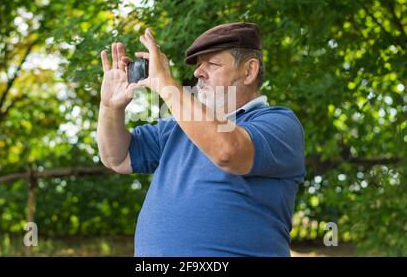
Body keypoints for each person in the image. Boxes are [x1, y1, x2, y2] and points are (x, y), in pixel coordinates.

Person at [96, 22, 306, 256]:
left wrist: (166, 84)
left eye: (212, 64)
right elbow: (118, 157)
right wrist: (110, 108)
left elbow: (228, 152)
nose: (198, 72)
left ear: (249, 71)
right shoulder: (178, 125)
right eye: (198, 65)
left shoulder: (278, 122)